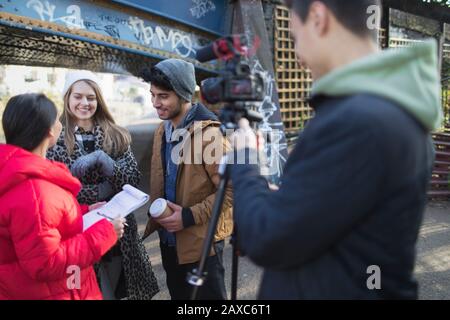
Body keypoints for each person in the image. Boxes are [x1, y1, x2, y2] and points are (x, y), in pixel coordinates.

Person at [228, 0, 442, 299]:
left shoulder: (358, 120)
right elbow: (339, 215)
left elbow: (269, 239)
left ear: (317, 17)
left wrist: (246, 159)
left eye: (294, 39)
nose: (299, 57)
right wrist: (291, 200)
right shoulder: (388, 110)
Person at [0, 93, 125, 300]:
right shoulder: (35, 192)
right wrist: (105, 233)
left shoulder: (17, 174)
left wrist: (84, 211)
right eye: (57, 119)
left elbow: (40, 226)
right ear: (50, 130)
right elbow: (46, 263)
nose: (61, 124)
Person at [46, 71, 159, 300]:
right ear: (67, 98)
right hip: (76, 234)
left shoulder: (116, 135)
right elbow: (51, 190)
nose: (84, 103)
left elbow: (133, 179)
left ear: (99, 100)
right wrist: (97, 192)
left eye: (91, 97)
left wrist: (107, 163)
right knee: (86, 292)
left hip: (117, 233)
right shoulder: (54, 138)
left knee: (116, 290)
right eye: (78, 96)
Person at [141, 58, 233, 300]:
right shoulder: (164, 129)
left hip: (202, 246)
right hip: (169, 242)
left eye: (163, 96)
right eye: (152, 95)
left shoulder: (211, 135)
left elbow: (233, 190)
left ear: (183, 94)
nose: (155, 103)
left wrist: (188, 216)